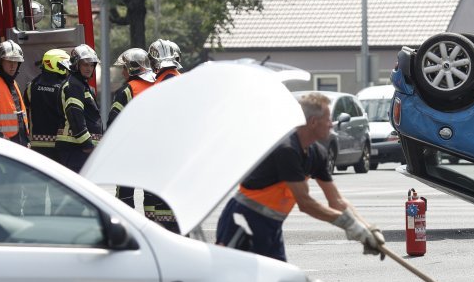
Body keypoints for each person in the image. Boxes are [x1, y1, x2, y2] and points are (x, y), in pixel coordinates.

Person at [215, 92, 383, 261]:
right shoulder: (287, 149)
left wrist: (367, 228)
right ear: (313, 122)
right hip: (242, 221)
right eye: (328, 119)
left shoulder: (318, 153)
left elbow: (336, 200)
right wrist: (348, 224)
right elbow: (305, 203)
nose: (331, 125)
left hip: (271, 227)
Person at [107, 48, 155, 208]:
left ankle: (127, 228)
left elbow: (113, 119)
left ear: (132, 68)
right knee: (151, 195)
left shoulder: (127, 90)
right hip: (152, 150)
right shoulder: (157, 85)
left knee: (124, 195)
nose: (122, 73)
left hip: (129, 151)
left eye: (124, 68)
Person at [144, 39, 181, 232]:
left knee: (165, 213)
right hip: (177, 156)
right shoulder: (183, 81)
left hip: (164, 157)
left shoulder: (159, 86)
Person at [57, 44, 102, 172]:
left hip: (78, 148)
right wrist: (87, 144)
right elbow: (75, 116)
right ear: (76, 64)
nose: (89, 68)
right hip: (75, 149)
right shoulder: (74, 85)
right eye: (85, 64)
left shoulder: (80, 84)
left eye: (92, 65)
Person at [25, 49, 71, 162]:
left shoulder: (32, 86)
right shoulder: (64, 86)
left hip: (36, 145)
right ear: (56, 64)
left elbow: (25, 110)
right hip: (59, 144)